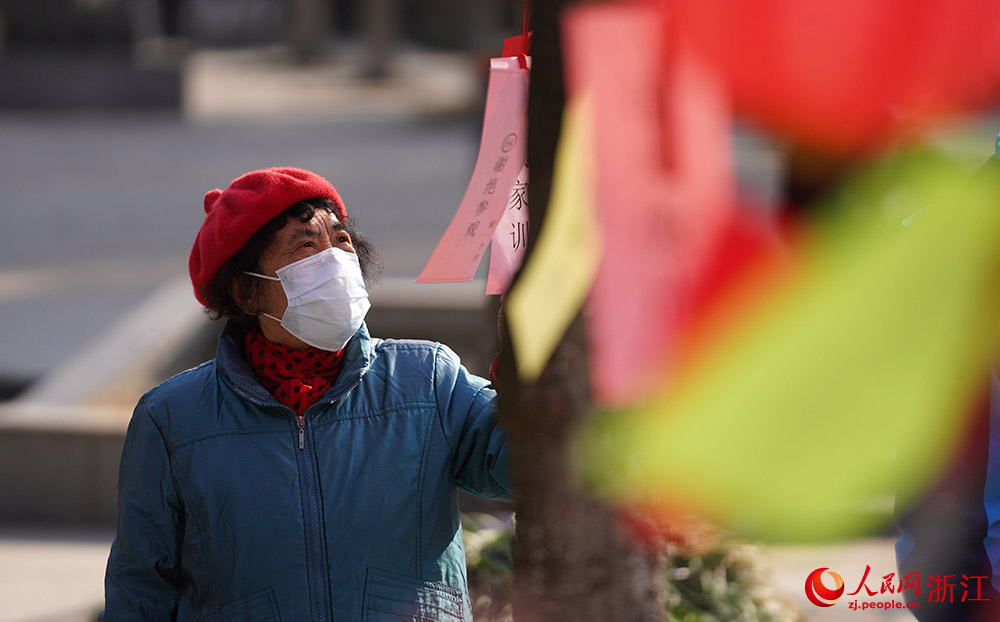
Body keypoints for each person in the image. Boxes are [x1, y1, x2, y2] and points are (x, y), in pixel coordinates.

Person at [100, 167, 509, 621]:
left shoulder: (428, 380)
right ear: (246, 291)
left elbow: (525, 465)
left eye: (341, 240)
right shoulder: (172, 419)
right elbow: (140, 592)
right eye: (306, 247)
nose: (335, 261)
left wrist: (526, 361)